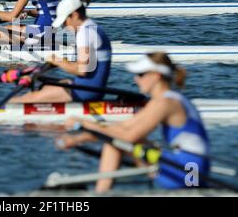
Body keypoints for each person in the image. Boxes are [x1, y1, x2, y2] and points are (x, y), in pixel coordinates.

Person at [57, 52, 210, 193]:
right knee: (122, 139)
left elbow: (127, 136)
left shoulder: (165, 103)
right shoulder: (169, 98)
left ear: (156, 76)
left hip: (189, 174)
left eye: (141, 74)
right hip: (192, 168)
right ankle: (102, 191)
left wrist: (84, 123)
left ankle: (100, 193)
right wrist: (79, 138)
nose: (136, 79)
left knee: (116, 142)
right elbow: (122, 127)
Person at [8, 0, 112, 103]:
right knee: (43, 87)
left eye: (64, 21)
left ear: (75, 15)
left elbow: (82, 70)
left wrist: (57, 61)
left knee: (26, 99)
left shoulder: (85, 33)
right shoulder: (94, 28)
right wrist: (60, 62)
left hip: (85, 92)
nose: (64, 25)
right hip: (90, 88)